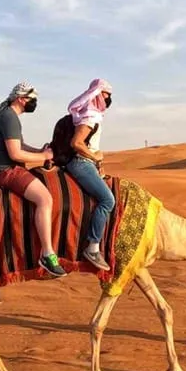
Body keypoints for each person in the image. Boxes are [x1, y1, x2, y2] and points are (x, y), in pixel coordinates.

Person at [0, 81, 66, 278]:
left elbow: (20, 145)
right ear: (22, 99)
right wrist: (45, 157)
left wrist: (40, 151)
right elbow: (15, 154)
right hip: (8, 171)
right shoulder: (9, 118)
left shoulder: (8, 116)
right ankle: (47, 254)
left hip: (9, 168)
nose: (34, 102)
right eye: (32, 99)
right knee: (45, 199)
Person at [64, 78, 116, 271]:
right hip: (81, 164)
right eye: (106, 94)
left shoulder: (91, 114)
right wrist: (94, 156)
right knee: (107, 201)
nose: (108, 98)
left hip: (88, 164)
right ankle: (92, 247)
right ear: (97, 94)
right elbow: (76, 144)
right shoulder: (90, 116)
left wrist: (97, 161)